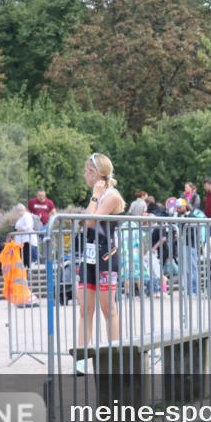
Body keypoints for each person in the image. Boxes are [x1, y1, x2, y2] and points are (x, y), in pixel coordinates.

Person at [75, 152, 126, 374]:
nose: (85, 175)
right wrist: (94, 197)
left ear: (97, 173)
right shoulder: (96, 195)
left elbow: (89, 221)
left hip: (106, 257)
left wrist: (95, 197)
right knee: (85, 309)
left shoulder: (111, 195)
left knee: (108, 309)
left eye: (88, 171)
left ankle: (114, 356)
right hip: (88, 257)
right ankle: (81, 358)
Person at [119, 199, 151, 297]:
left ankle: (128, 292)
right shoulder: (136, 227)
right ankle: (141, 292)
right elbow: (140, 240)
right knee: (138, 273)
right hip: (136, 253)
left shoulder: (122, 227)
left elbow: (118, 241)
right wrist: (142, 252)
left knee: (127, 274)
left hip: (125, 253)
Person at [13, 204, 38, 268]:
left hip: (26, 240)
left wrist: (20, 229)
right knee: (23, 256)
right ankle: (24, 270)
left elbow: (28, 226)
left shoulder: (27, 216)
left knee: (26, 256)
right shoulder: (22, 216)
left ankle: (27, 270)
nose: (17, 213)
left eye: (17, 211)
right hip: (22, 240)